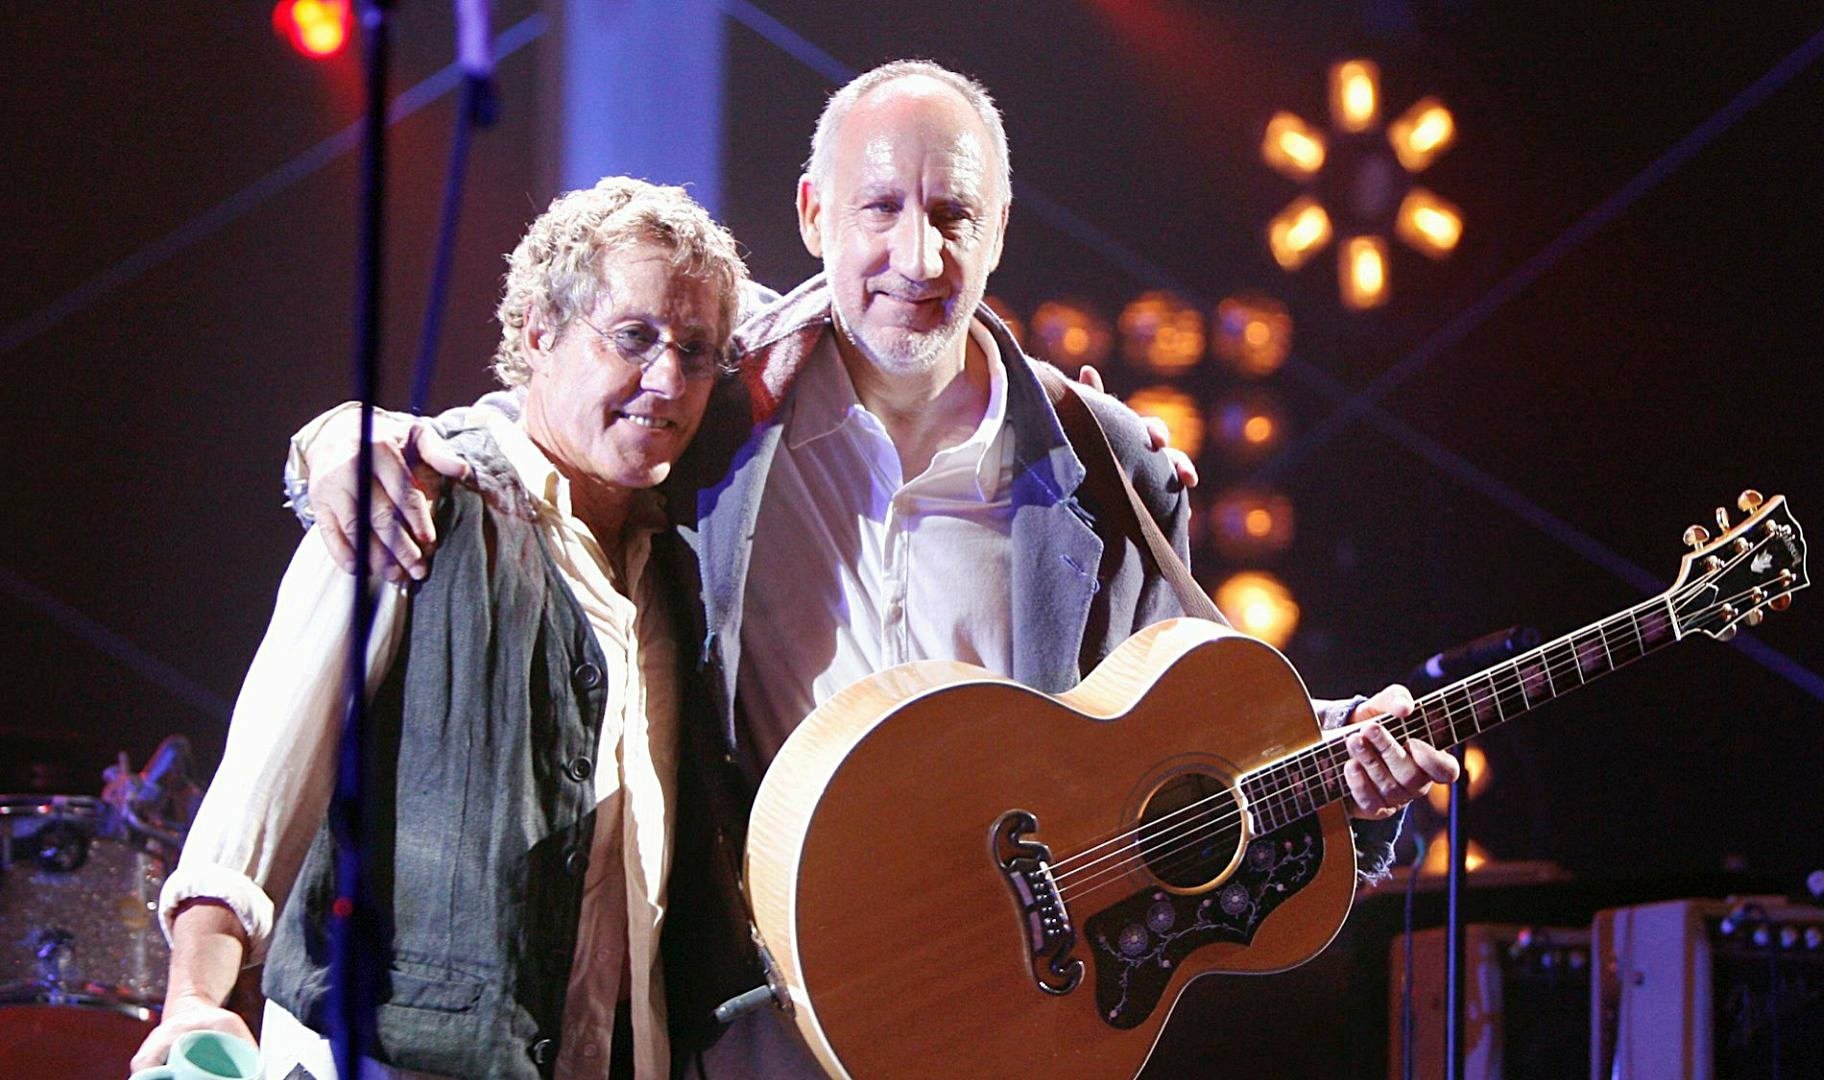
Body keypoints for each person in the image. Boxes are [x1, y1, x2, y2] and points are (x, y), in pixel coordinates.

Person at [287, 62, 1458, 1077]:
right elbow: (556, 425)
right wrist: (344, 442)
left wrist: (1350, 781)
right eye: (880, 207)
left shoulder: (1114, 472)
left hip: (1005, 1028)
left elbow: (1194, 747)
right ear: (812, 214)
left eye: (954, 212)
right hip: (749, 1025)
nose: (917, 253)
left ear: (1000, 229)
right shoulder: (719, 414)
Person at [135, 178, 750, 1079]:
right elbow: (259, 787)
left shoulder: (678, 571)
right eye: (633, 337)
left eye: (695, 351)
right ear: (541, 331)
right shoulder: (418, 498)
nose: (666, 379)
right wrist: (194, 1000)